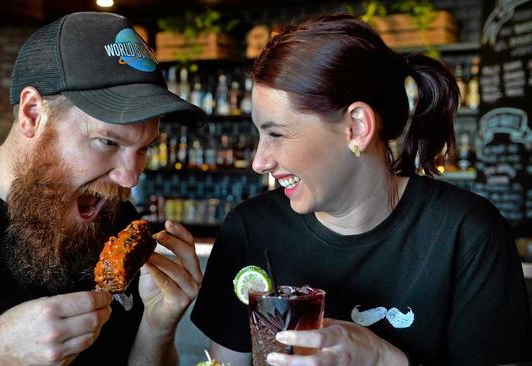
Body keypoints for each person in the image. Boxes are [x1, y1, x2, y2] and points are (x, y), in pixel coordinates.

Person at [191, 14, 531, 366]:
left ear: (356, 127)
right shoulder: (249, 230)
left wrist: (382, 357)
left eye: (276, 134)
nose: (259, 162)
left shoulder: (466, 234)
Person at [0, 12, 206, 365]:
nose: (130, 179)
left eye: (144, 148)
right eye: (106, 142)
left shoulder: (115, 218)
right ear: (33, 113)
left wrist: (156, 327)